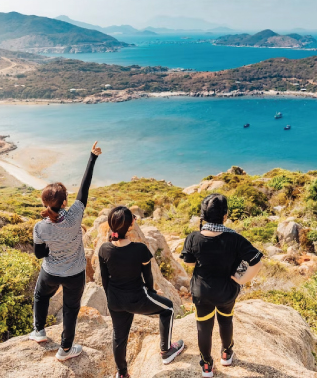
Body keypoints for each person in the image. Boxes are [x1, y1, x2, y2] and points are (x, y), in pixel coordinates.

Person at [29, 141, 102, 362]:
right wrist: (92, 157)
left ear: (43, 202)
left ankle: (39, 331)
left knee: (41, 296)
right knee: (71, 309)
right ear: (65, 202)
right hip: (75, 273)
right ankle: (66, 349)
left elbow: (40, 255)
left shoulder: (40, 226)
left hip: (51, 271)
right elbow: (84, 189)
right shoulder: (75, 216)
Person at [181, 194, 263, 378]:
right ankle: (226, 353)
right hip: (227, 291)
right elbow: (256, 262)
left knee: (204, 327)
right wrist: (241, 280)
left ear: (203, 215)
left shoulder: (193, 237)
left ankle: (207, 365)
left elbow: (189, 263)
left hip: (201, 292)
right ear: (225, 215)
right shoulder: (236, 239)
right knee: (226, 320)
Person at [98, 206, 185, 378]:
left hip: (115, 300)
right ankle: (167, 350)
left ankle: (122, 373)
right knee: (167, 308)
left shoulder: (104, 249)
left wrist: (112, 301)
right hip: (137, 299)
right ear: (130, 226)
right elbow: (148, 276)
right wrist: (151, 293)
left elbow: (105, 279)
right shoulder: (140, 249)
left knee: (119, 336)